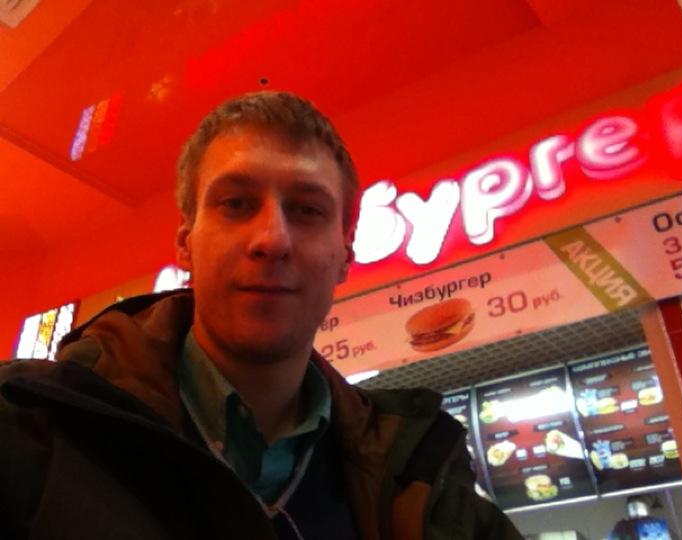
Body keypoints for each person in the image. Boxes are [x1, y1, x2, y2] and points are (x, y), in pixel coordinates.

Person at [0, 92, 522, 539]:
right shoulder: (27, 426)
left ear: (345, 255)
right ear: (186, 242)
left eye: (308, 210)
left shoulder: (422, 474)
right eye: (235, 204)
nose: (272, 239)